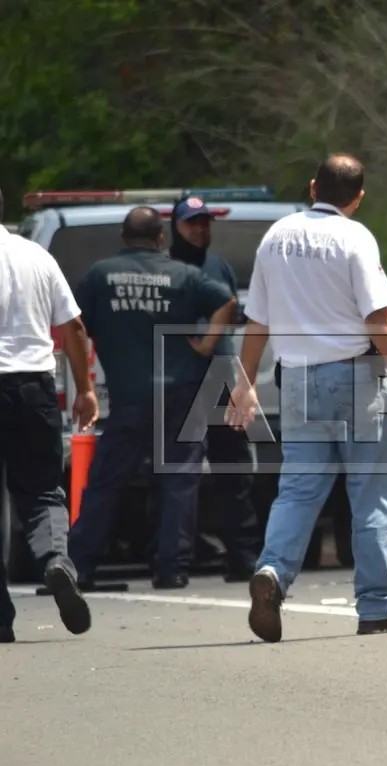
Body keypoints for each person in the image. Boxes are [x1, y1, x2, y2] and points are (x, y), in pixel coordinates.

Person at [228, 153, 387, 642]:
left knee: (298, 490)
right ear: (358, 197)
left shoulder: (276, 237)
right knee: (371, 494)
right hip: (356, 377)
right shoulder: (356, 238)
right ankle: (376, 607)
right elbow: (379, 318)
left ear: (313, 187)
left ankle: (272, 572)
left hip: (297, 381)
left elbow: (257, 321)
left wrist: (245, 383)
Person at [68, 207, 236, 590]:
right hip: (181, 392)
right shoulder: (184, 275)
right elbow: (226, 301)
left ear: (123, 237)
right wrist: (208, 343)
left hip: (129, 396)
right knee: (179, 480)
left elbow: (76, 325)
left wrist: (87, 380)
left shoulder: (100, 275)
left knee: (106, 481)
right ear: (161, 239)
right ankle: (171, 568)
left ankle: (80, 566)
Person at [0, 187, 96, 641]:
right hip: (32, 387)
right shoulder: (35, 256)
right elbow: (73, 326)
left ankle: (1, 619)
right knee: (41, 492)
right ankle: (56, 560)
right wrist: (86, 389)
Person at [169, 196, 259, 580]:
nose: (199, 230)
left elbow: (234, 312)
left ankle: (242, 557)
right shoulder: (165, 268)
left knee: (234, 469)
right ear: (175, 227)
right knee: (176, 474)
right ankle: (172, 561)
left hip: (220, 376)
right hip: (179, 380)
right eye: (191, 223)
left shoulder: (218, 266)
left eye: (204, 223)